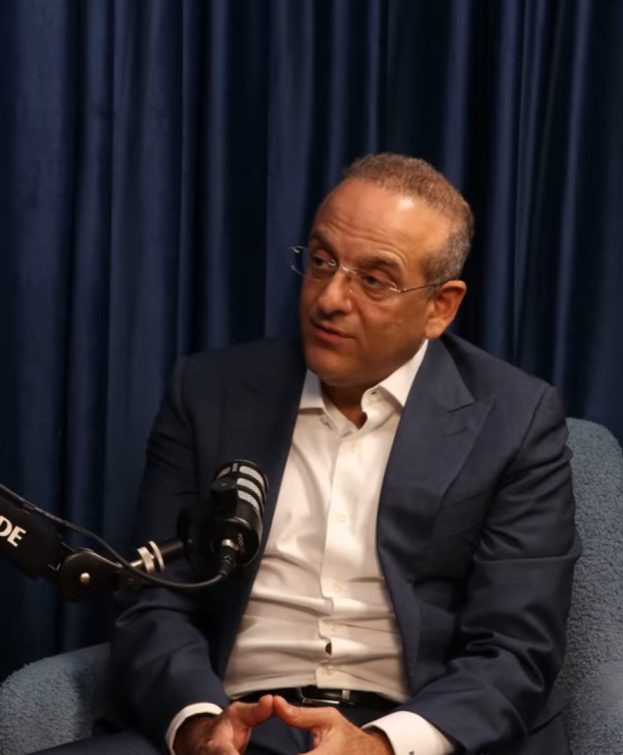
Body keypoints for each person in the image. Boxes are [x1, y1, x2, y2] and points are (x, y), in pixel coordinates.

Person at [40, 153, 579, 755]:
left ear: (440, 307)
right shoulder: (210, 394)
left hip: (409, 733)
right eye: (322, 261)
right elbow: (153, 598)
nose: (330, 299)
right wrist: (200, 726)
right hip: (235, 723)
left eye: (374, 280)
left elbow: (513, 649)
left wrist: (380, 746)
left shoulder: (514, 418)